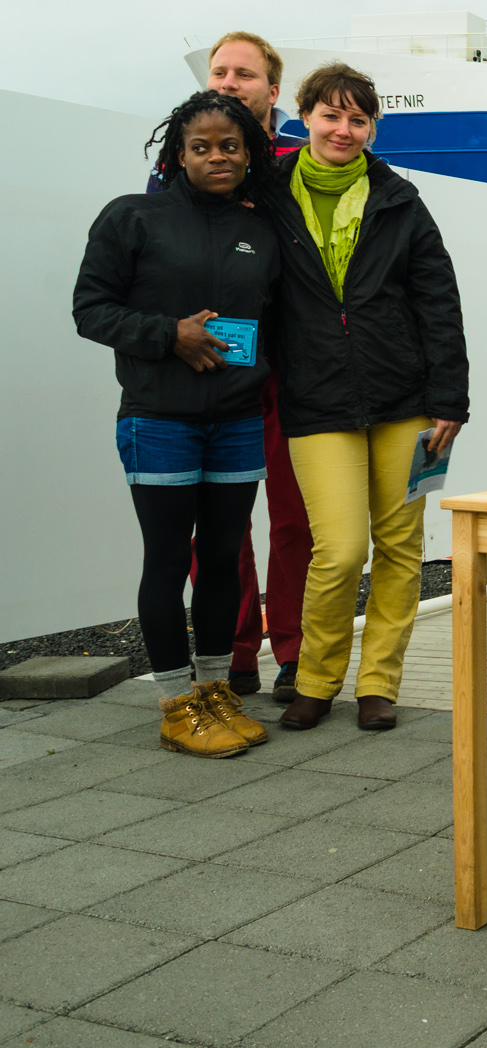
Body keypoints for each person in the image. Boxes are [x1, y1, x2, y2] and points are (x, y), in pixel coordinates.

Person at [261, 63, 470, 732]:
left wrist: (451, 398)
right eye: (331, 115)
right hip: (315, 398)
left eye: (358, 119)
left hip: (405, 400)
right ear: (304, 117)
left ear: (372, 128)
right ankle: (316, 679)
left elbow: (439, 301)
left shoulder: (399, 199)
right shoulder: (269, 194)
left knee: (400, 546)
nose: (343, 130)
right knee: (342, 550)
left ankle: (379, 682)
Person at [74, 91, 281, 757]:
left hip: (237, 420)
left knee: (221, 560)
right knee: (167, 561)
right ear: (179, 155)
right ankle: (174, 705)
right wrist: (169, 335)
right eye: (202, 147)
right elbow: (90, 309)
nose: (217, 156)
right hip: (159, 419)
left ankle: (214, 691)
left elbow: (276, 323)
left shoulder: (262, 231)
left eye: (230, 146)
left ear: (249, 155)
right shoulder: (132, 217)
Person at [147, 31, 311, 702]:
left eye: (244, 73)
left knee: (296, 518)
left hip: (291, 368)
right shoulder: (173, 168)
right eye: (220, 71)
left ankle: (295, 651)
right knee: (220, 528)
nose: (228, 82)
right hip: (213, 366)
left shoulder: (299, 163)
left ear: (273, 89)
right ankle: (235, 650)